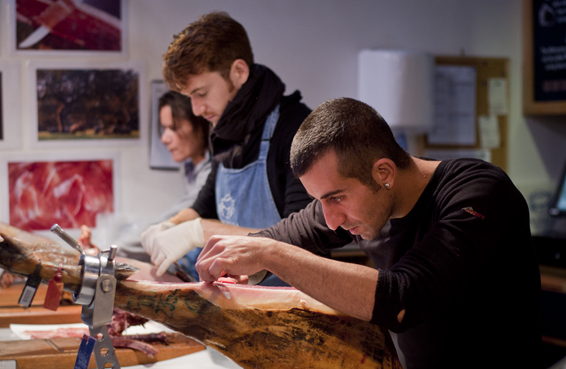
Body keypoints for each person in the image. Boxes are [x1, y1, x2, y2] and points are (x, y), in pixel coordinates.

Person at [195, 97, 542, 369]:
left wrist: (271, 255)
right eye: (320, 201)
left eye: (335, 198)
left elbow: (405, 299)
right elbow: (285, 236)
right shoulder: (366, 197)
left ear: (383, 172)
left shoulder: (478, 193)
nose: (330, 219)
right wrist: (243, 258)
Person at [141, 12, 313, 282]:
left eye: (201, 94)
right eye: (190, 98)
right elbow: (204, 206)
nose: (196, 110)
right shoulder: (228, 132)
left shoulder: (296, 129)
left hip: (292, 301)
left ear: (239, 72)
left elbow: (301, 240)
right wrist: (170, 225)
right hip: (242, 305)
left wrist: (199, 231)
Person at [78, 91, 211, 275]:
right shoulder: (190, 169)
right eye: (164, 129)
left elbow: (171, 220)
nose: (165, 138)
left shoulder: (210, 173)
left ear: (200, 123)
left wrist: (106, 252)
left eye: (173, 128)